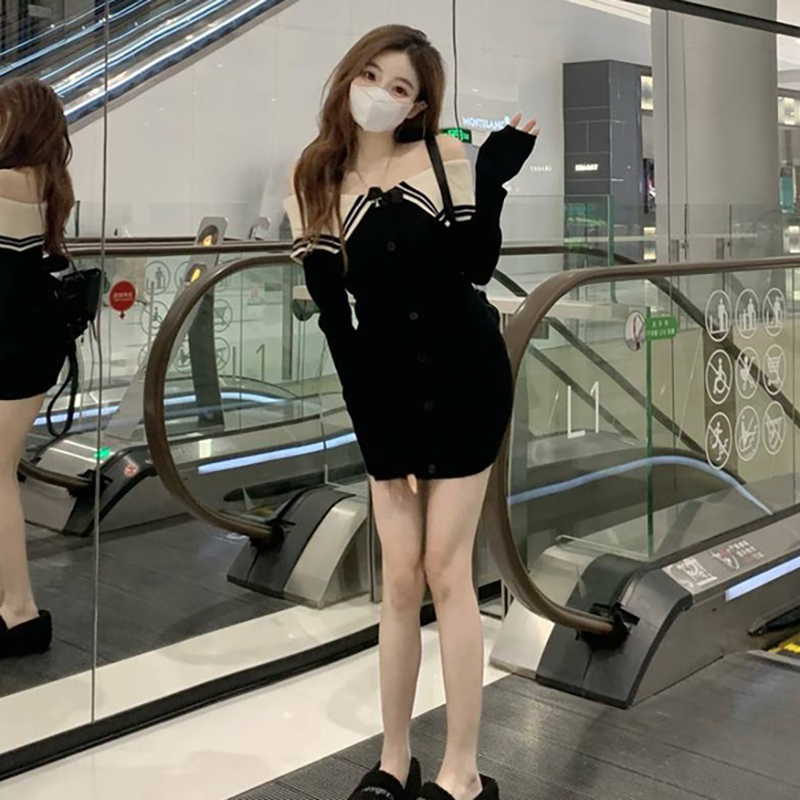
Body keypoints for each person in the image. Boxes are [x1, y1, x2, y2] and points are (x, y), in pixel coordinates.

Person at [286, 26, 538, 800]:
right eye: (370, 75)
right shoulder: (314, 178)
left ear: (419, 105)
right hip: (388, 389)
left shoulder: (441, 158)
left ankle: (463, 772)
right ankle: (394, 760)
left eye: (399, 87)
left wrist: (489, 180)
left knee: (444, 570)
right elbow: (336, 321)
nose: (379, 94)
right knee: (398, 578)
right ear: (347, 77)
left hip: (467, 378)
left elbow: (476, 266)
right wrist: (376, 436)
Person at [0, 77, 74, 658]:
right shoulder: (48, 183)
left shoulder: (8, 179)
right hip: (29, 340)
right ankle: (15, 605)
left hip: (13, 344)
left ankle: (19, 611)